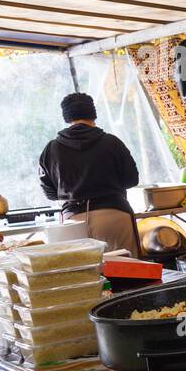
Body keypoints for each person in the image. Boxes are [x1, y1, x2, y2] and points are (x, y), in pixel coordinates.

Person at [38, 92, 141, 253]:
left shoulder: (51, 149)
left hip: (73, 222)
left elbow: (50, 193)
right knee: (127, 272)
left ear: (66, 117)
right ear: (93, 114)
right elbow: (132, 179)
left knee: (83, 275)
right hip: (113, 216)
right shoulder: (112, 142)